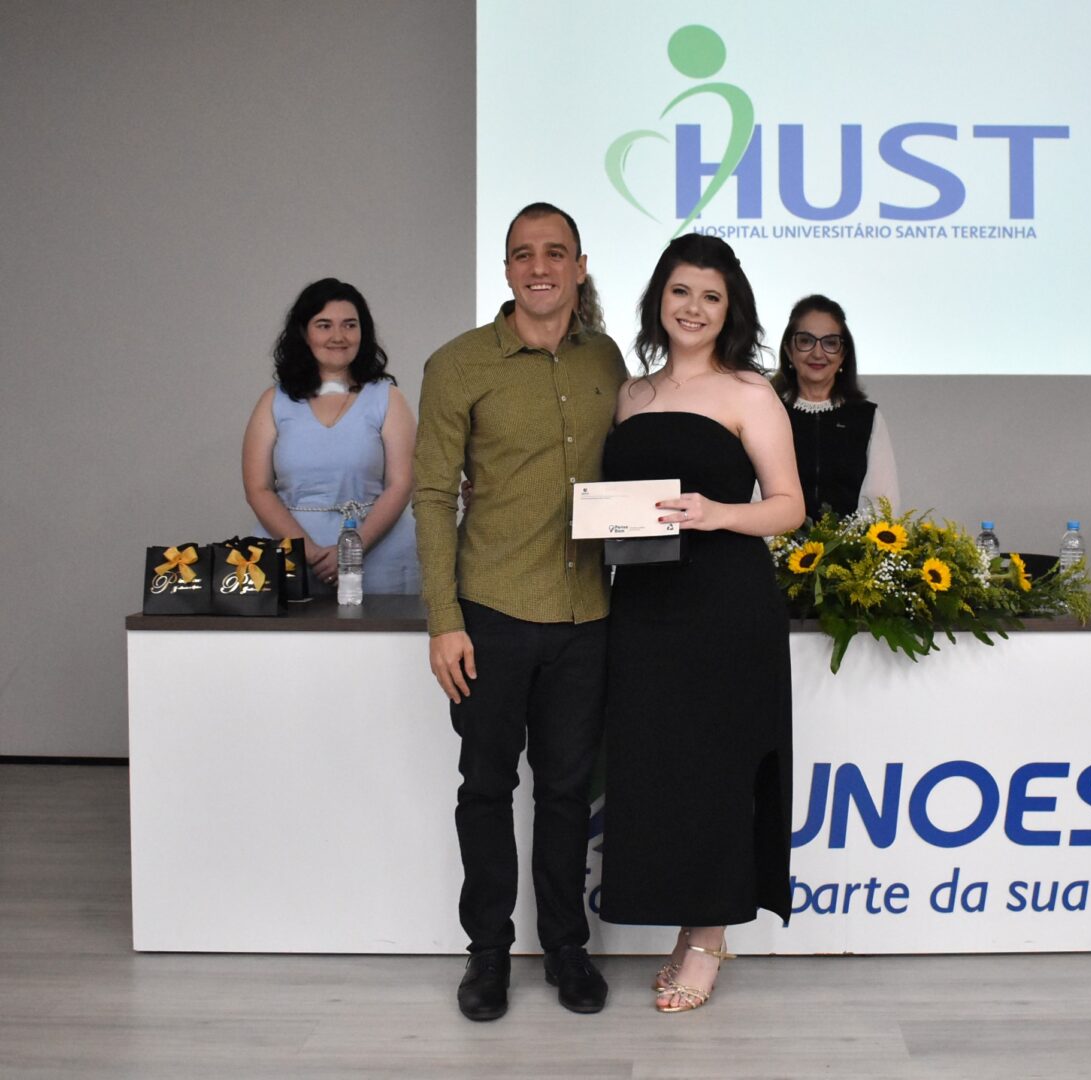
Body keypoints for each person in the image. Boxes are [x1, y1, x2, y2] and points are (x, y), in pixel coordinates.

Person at [411, 203, 627, 1021]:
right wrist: (444, 620)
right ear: (506, 269)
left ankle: (567, 948)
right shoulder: (457, 364)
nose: (540, 267)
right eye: (524, 254)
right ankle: (489, 952)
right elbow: (434, 495)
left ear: (579, 266)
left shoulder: (606, 357)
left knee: (568, 792)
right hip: (492, 612)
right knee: (486, 787)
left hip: (587, 614)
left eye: (555, 252)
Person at [597, 234, 804, 1013]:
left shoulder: (750, 392)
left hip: (724, 605)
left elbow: (790, 507)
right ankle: (690, 924)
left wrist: (717, 513)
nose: (693, 308)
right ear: (659, 297)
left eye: (711, 297)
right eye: (681, 291)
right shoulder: (632, 394)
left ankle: (710, 937)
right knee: (662, 770)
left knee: (716, 770)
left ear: (730, 310)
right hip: (643, 606)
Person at [242, 278, 419, 594]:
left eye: (350, 325)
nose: (339, 336)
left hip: (379, 557)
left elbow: (401, 484)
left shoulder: (388, 398)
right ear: (304, 333)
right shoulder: (273, 401)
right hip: (291, 559)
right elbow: (258, 489)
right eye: (324, 325)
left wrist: (351, 550)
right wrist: (309, 551)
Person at [769, 294, 899, 518]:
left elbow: (881, 503)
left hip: (853, 541)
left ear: (843, 354)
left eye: (830, 343)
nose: (818, 353)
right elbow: (753, 494)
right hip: (775, 538)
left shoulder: (867, 417)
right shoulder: (766, 412)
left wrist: (850, 540)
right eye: (806, 341)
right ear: (789, 350)